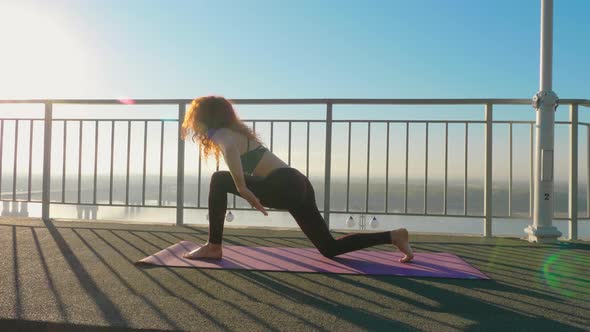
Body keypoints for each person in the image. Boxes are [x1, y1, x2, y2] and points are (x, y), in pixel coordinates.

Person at [180, 96, 413, 263]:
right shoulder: (237, 133)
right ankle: (393, 236)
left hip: (283, 184)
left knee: (219, 180)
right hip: (297, 182)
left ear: (205, 117)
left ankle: (213, 246)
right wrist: (245, 186)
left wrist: (242, 187)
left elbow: (229, 149)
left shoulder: (223, 134)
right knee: (329, 248)